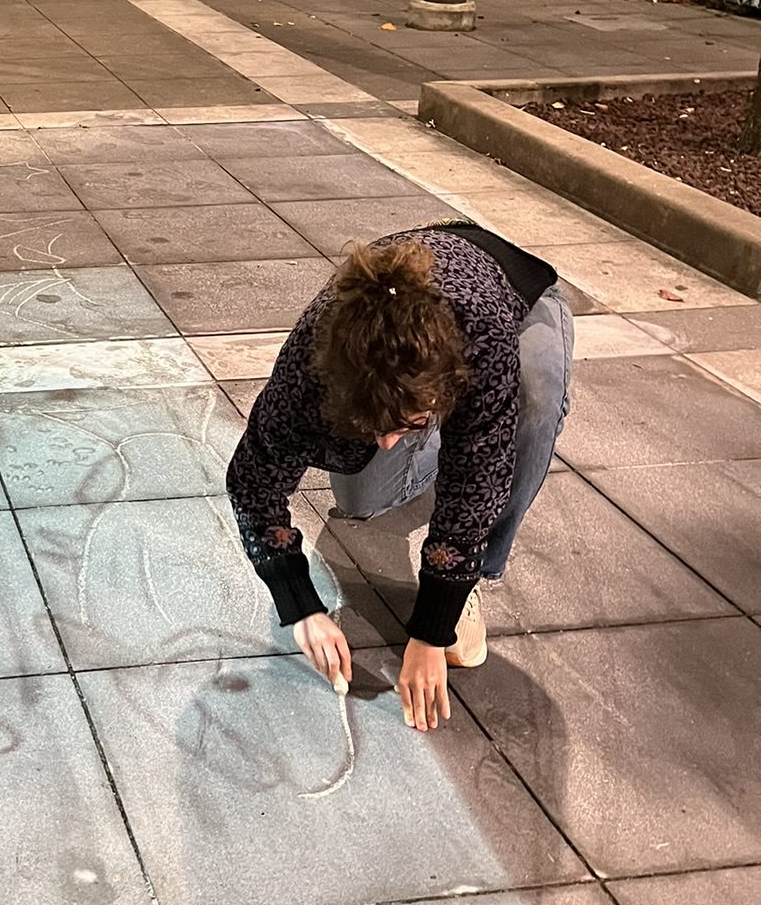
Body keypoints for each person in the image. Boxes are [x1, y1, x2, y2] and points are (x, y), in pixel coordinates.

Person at [226, 223, 574, 733]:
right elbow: (253, 482)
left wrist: (433, 630)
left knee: (529, 405)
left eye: (404, 427)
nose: (387, 442)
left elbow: (479, 481)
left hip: (517, 296)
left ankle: (478, 572)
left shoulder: (482, 341)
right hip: (406, 334)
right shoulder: (310, 362)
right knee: (365, 497)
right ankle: (427, 427)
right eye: (375, 427)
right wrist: (300, 604)